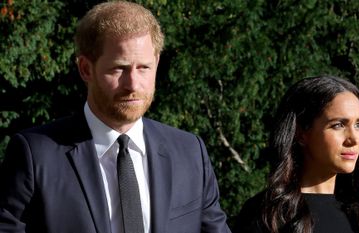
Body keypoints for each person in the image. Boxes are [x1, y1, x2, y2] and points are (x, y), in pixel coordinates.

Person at [0, 1, 231, 233]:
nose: (133, 84)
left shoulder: (190, 152)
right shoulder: (35, 155)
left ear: (157, 63)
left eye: (144, 68)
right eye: (118, 69)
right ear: (85, 69)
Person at [234, 76, 359, 233]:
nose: (353, 139)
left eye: (358, 125)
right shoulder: (267, 216)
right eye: (338, 125)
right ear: (301, 133)